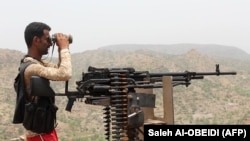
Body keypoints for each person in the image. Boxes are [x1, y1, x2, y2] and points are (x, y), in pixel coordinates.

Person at [13, 22, 72, 141]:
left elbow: (59, 68)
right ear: (36, 40)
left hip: (44, 132)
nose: (50, 44)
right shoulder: (32, 68)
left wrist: (61, 49)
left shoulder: (37, 63)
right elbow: (65, 74)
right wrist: (65, 49)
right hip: (39, 136)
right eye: (47, 39)